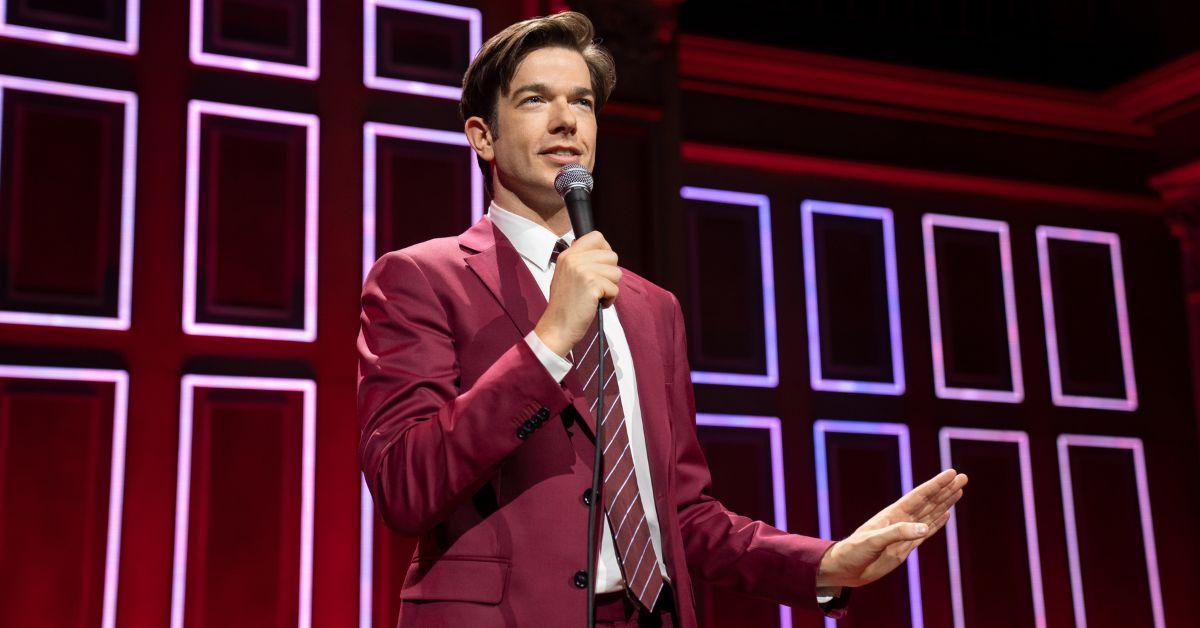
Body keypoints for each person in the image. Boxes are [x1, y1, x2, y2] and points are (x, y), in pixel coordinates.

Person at [356, 11, 968, 627]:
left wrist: (825, 565)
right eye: (535, 99)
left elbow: (680, 514)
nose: (567, 120)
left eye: (583, 102)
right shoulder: (421, 279)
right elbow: (406, 484)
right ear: (482, 136)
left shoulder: (651, 307)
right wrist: (547, 343)